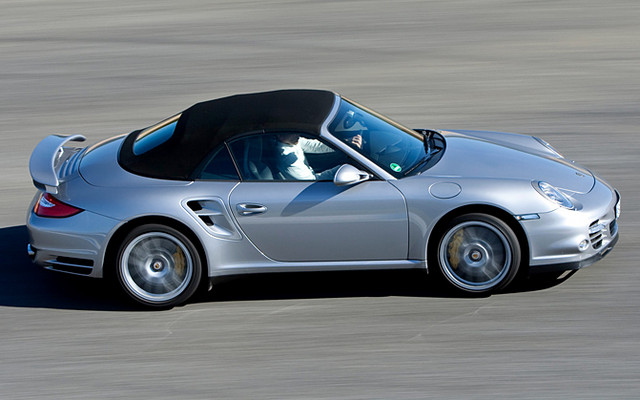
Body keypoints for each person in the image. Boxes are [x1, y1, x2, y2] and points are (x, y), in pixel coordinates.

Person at [276, 133, 362, 181]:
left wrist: (345, 143)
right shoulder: (287, 159)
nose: (297, 134)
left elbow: (316, 146)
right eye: (292, 132)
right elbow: (311, 181)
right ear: (279, 135)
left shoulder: (290, 140)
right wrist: (341, 168)